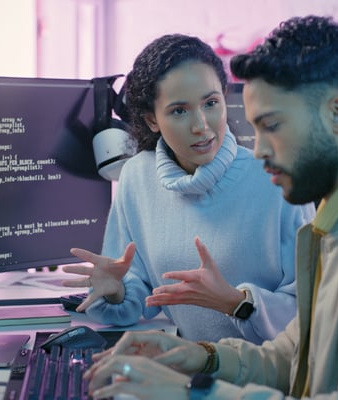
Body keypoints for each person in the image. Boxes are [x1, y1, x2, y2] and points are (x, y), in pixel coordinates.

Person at [81, 15, 338, 400]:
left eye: (272, 127)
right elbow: (293, 359)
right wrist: (199, 358)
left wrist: (192, 393)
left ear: (337, 113)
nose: (258, 151)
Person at [62, 34, 314, 344]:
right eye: (179, 111)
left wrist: (237, 302)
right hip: (194, 370)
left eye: (211, 103)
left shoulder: (276, 180)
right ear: (151, 120)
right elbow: (135, 289)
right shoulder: (138, 176)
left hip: (268, 379)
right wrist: (116, 293)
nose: (201, 126)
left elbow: (311, 313)